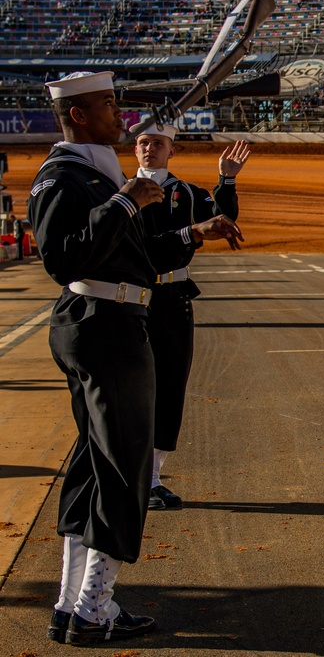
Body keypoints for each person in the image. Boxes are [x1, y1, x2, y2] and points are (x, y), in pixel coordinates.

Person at [29, 71, 243, 644]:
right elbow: (62, 258)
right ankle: (96, 608)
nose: (119, 113)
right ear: (77, 115)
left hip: (110, 323)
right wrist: (125, 201)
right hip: (104, 328)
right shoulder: (64, 176)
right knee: (124, 470)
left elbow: (136, 252)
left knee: (94, 466)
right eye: (105, 103)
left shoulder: (94, 171)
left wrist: (194, 231)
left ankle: (74, 603)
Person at [130, 123, 251, 510]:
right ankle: (132, 476)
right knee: (131, 390)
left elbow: (222, 219)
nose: (150, 149)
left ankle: (152, 477)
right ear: (135, 150)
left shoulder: (186, 193)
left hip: (173, 298)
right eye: (143, 143)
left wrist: (226, 181)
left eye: (158, 143)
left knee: (169, 385)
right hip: (132, 298)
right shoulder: (119, 191)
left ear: (172, 151)